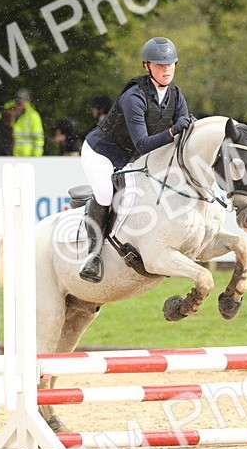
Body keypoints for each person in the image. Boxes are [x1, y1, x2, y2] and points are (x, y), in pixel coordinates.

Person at [78, 36, 192, 283]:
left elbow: (186, 128)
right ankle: (93, 256)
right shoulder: (134, 96)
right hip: (102, 153)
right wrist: (173, 131)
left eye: (170, 64)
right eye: (159, 65)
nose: (166, 69)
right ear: (146, 66)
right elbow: (142, 143)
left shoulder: (175, 94)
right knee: (107, 193)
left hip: (132, 158)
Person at [10, 88, 45, 156]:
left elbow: (38, 139)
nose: (18, 106)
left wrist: (36, 156)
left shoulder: (33, 116)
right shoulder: (8, 113)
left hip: (27, 157)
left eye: (20, 103)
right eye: (17, 103)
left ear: (26, 102)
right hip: (10, 155)